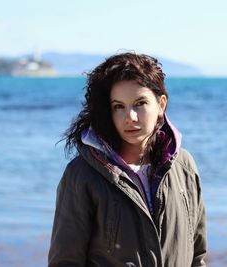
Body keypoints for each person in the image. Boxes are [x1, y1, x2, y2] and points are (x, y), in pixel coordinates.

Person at [48, 52, 207, 267]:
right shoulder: (82, 174)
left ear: (161, 104)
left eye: (140, 103)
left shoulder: (184, 166)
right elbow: (66, 262)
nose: (130, 117)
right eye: (119, 106)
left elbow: (197, 255)